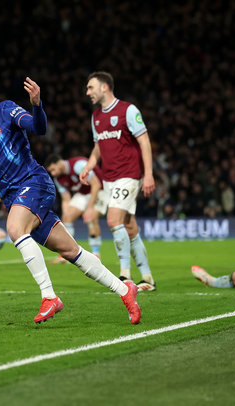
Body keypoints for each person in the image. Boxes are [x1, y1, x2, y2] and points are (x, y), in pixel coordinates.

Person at [0, 72, 141, 324]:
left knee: (15, 228)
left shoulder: (5, 110)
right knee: (72, 252)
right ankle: (125, 290)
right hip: (13, 198)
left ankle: (49, 297)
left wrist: (37, 104)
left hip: (34, 182)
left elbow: (38, 127)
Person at [80, 71, 156, 292]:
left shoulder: (128, 110)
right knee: (130, 227)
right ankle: (148, 277)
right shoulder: (95, 117)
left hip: (129, 175)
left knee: (113, 220)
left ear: (104, 87)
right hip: (109, 179)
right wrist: (89, 165)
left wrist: (148, 174)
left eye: (90, 87)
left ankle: (125, 275)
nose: (88, 92)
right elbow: (98, 147)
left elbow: (144, 142)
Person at [44, 153, 108, 263]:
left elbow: (96, 184)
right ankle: (67, 253)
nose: (53, 173)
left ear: (59, 163)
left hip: (100, 190)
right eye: (51, 171)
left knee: (91, 218)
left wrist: (89, 208)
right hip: (83, 194)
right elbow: (66, 199)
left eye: (53, 169)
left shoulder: (78, 165)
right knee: (67, 217)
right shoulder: (58, 179)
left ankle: (96, 254)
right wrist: (64, 217)